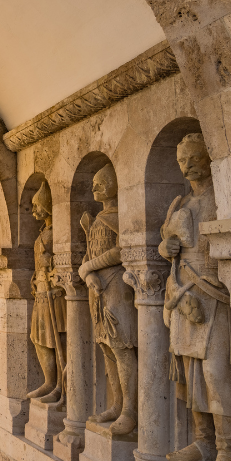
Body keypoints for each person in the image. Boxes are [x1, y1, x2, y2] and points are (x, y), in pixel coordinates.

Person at [159, 133, 231, 461]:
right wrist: (168, 248)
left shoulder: (222, 198)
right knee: (190, 374)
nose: (186, 165)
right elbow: (165, 246)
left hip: (214, 292)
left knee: (216, 375)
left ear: (208, 157)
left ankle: (229, 452)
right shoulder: (181, 201)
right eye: (181, 161)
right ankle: (203, 441)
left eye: (193, 158)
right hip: (183, 293)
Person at [79, 164, 138, 436]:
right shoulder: (96, 220)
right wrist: (88, 274)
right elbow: (88, 256)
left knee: (122, 347)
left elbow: (122, 250)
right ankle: (117, 405)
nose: (95, 188)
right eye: (94, 183)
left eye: (102, 182)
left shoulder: (118, 216)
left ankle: (130, 410)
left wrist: (89, 267)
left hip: (117, 287)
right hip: (97, 291)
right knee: (106, 348)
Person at [27, 181, 66, 405]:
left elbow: (69, 259)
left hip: (56, 294)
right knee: (39, 338)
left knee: (57, 339)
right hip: (41, 291)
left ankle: (60, 386)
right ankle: (49, 381)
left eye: (36, 206)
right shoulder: (44, 231)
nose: (33, 211)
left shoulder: (59, 231)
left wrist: (50, 261)